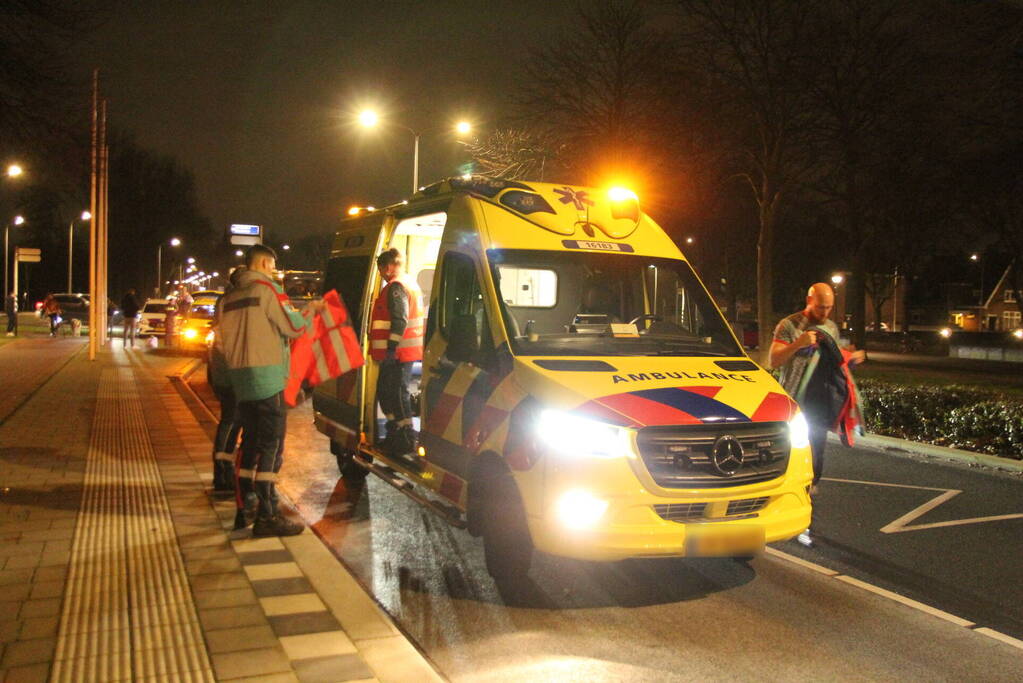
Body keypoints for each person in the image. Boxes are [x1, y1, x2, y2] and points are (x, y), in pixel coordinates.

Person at [220, 245, 320, 536]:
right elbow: (293, 327)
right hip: (268, 379)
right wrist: (309, 311)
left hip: (241, 380)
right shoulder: (267, 291)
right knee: (271, 448)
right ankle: (268, 515)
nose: (275, 271)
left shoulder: (230, 297)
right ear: (264, 262)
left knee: (249, 445)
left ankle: (246, 508)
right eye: (273, 265)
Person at [770, 283, 865, 545]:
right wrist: (797, 344)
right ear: (809, 300)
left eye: (829, 307)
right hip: (795, 403)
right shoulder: (788, 326)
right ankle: (783, 512)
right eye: (820, 306)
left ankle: (807, 516)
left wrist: (851, 358)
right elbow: (773, 360)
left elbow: (833, 357)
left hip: (821, 405)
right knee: (790, 458)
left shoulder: (831, 327)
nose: (825, 312)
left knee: (816, 460)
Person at [369, 248, 424, 458]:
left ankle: (405, 436)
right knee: (387, 392)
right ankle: (395, 431)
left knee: (397, 393)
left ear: (389, 266)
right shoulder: (409, 283)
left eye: (381, 269)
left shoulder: (396, 287)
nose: (381, 274)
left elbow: (400, 320)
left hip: (398, 353)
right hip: (401, 352)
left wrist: (391, 348)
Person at [208, 268, 244, 494]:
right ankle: (222, 471)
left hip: (226, 371)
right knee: (230, 421)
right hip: (231, 372)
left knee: (232, 421)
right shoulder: (233, 301)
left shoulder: (227, 299)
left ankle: (224, 469)